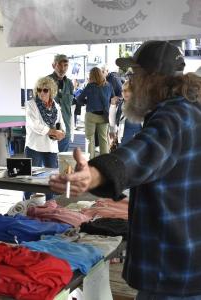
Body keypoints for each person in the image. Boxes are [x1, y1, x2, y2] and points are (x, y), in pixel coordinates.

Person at [50, 40, 201, 299]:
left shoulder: (173, 117)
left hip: (172, 270)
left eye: (134, 74)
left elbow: (141, 153)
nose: (129, 81)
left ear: (153, 79)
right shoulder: (192, 110)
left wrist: (94, 174)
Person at [25, 76, 65, 200]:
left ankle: (50, 206)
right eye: (39, 89)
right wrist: (52, 131)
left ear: (51, 91)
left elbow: (61, 123)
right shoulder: (30, 104)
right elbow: (35, 125)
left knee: (51, 181)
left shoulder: (56, 106)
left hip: (51, 147)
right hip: (34, 146)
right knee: (30, 181)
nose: (42, 92)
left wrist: (62, 133)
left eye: (45, 90)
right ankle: (26, 205)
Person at [77, 67, 114, 158]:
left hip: (91, 116)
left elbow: (79, 99)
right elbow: (112, 98)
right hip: (104, 116)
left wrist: (87, 102)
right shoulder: (108, 85)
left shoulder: (90, 86)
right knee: (103, 139)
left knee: (90, 139)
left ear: (91, 76)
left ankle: (91, 162)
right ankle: (105, 161)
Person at [48, 54, 74, 152]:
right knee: (50, 162)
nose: (62, 68)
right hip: (50, 128)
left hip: (65, 128)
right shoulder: (46, 82)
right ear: (53, 65)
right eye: (59, 65)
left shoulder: (69, 84)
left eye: (65, 65)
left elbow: (70, 108)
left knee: (63, 159)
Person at [109, 80, 142, 146]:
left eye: (127, 90)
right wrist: (112, 106)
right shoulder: (121, 104)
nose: (124, 93)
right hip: (123, 141)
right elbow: (113, 121)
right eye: (123, 90)